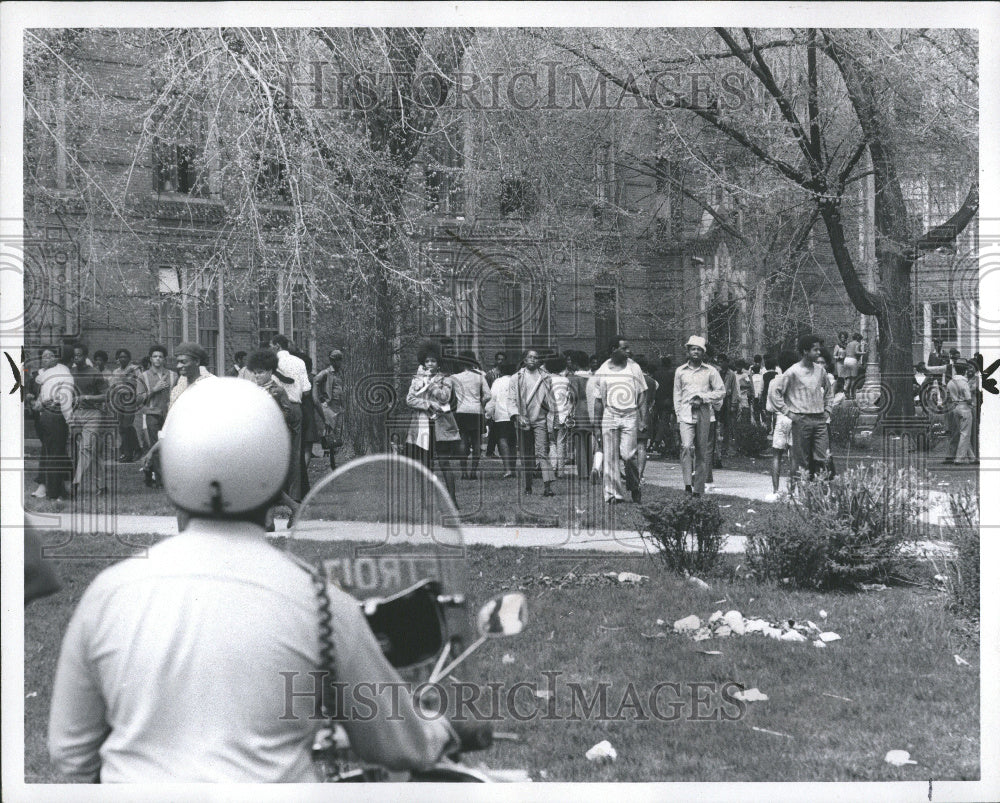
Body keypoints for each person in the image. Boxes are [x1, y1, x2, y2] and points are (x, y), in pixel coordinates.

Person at [48, 378, 455, 782]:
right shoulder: (321, 602)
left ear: (170, 468)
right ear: (277, 475)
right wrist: (446, 728)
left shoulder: (109, 592)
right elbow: (396, 743)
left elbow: (70, 752)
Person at [246, 349, 302, 530]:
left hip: (273, 441)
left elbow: (290, 414)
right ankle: (270, 521)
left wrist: (274, 417)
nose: (257, 375)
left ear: (270, 372)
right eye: (255, 372)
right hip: (258, 439)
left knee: (264, 481)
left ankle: (293, 508)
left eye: (261, 372)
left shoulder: (277, 391)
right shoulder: (254, 390)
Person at [768, 334, 834, 483]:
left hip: (819, 420)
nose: (819, 353)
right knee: (802, 460)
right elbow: (775, 393)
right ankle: (803, 496)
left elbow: (829, 392)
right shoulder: (793, 372)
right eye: (815, 350)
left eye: (819, 350)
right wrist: (789, 413)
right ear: (805, 351)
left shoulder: (820, 371)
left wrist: (828, 410)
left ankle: (821, 495)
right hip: (801, 420)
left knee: (823, 458)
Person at [405, 341, 461, 504]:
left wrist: (430, 385)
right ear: (423, 362)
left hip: (440, 425)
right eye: (427, 361)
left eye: (433, 361)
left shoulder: (446, 380)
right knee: (425, 463)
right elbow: (409, 399)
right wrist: (428, 405)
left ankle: (452, 500)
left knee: (444, 463)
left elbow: (444, 397)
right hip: (422, 425)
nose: (430, 364)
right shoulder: (416, 380)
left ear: (438, 363)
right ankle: (425, 502)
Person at [674, 336, 725, 496]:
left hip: (705, 414)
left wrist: (703, 398)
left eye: (699, 349)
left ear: (703, 353)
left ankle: (699, 488)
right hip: (685, 415)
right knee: (687, 447)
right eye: (693, 349)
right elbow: (677, 394)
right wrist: (678, 415)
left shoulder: (711, 371)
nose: (696, 352)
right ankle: (688, 485)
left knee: (702, 451)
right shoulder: (680, 371)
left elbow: (721, 391)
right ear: (688, 351)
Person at [593, 349, 644, 504]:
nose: (627, 350)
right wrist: (596, 425)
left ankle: (634, 486)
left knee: (629, 456)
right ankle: (613, 495)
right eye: (623, 347)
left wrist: (643, 419)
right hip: (610, 415)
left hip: (630, 415)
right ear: (613, 349)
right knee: (610, 456)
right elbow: (598, 400)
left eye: (628, 347)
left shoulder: (634, 368)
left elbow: (642, 393)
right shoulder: (602, 371)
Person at [29, 346, 75, 501]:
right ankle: (54, 492)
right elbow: (65, 399)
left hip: (48, 415)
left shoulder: (52, 375)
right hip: (54, 415)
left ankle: (56, 489)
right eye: (44, 356)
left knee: (52, 453)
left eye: (51, 356)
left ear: (58, 359)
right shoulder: (62, 376)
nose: (46, 359)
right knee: (55, 453)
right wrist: (70, 420)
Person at [509, 348, 556, 496]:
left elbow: (551, 400)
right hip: (522, 420)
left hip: (540, 419)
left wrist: (552, 418)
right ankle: (527, 486)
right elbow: (511, 400)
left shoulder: (545, 377)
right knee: (526, 455)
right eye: (530, 357)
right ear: (524, 360)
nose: (533, 360)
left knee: (542, 453)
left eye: (536, 357)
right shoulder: (516, 377)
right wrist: (517, 416)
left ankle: (547, 487)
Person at [270, 335, 311, 501]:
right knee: (295, 452)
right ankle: (295, 494)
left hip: (278, 406)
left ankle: (278, 494)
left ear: (278, 346)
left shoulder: (272, 363)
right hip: (296, 406)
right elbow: (307, 389)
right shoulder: (299, 362)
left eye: (272, 346)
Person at [69, 343, 111, 499]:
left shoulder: (94, 373)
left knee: (86, 448)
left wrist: (87, 397)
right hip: (76, 414)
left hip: (93, 414)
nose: (76, 358)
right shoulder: (70, 373)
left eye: (79, 355)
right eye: (74, 356)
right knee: (92, 452)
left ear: (85, 356)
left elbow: (106, 396)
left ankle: (76, 483)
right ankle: (103, 486)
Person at [137, 345, 178, 488]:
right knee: (155, 446)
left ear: (164, 359)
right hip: (152, 414)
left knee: (169, 446)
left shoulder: (173, 375)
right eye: (155, 356)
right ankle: (159, 481)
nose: (158, 359)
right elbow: (138, 399)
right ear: (150, 359)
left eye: (160, 356)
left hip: (169, 415)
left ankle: (165, 477)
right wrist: (154, 390)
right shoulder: (143, 376)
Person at [764, 351, 800, 501]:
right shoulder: (798, 381)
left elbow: (770, 407)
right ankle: (791, 491)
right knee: (794, 457)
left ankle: (775, 489)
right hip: (796, 418)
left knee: (776, 455)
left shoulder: (775, 381)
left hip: (781, 418)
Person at [451, 351, 491, 480]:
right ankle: (473, 472)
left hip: (461, 411)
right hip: (476, 411)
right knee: (476, 442)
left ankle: (464, 472)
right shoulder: (480, 377)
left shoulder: (455, 377)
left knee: (462, 442)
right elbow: (488, 395)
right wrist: (481, 403)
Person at [313, 349, 346, 471]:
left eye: (340, 360)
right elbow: (315, 380)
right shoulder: (326, 373)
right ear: (332, 360)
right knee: (329, 435)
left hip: (339, 406)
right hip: (330, 406)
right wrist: (321, 399)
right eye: (337, 360)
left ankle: (335, 460)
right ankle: (330, 462)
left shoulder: (340, 373)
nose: (339, 363)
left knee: (337, 434)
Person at [109, 349, 143, 463]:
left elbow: (140, 383)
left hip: (130, 400)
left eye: (125, 357)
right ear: (118, 359)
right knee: (121, 428)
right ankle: (129, 451)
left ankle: (132, 452)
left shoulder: (135, 369)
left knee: (127, 425)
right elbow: (113, 386)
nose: (123, 359)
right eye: (120, 357)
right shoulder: (116, 371)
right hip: (119, 401)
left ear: (129, 358)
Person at [563, 351, 593, 483]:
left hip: (579, 410)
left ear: (575, 363)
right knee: (590, 442)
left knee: (580, 443)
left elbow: (573, 397)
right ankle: (592, 470)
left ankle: (583, 473)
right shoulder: (593, 377)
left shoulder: (574, 378)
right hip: (592, 410)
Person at [484, 362, 517, 478]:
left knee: (503, 440)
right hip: (515, 414)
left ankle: (507, 469)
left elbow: (492, 399)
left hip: (501, 415)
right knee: (513, 442)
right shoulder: (518, 381)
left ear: (501, 371)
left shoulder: (498, 382)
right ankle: (512, 467)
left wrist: (488, 414)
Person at [943, 361, 977, 465]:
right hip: (964, 407)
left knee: (960, 432)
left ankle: (972, 458)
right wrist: (973, 404)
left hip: (954, 406)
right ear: (965, 371)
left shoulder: (950, 382)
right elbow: (968, 398)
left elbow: (947, 396)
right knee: (965, 433)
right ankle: (959, 458)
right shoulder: (964, 382)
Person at [546, 356, 572, 478]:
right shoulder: (565, 380)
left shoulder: (546, 380)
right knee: (561, 442)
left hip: (549, 414)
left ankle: (553, 466)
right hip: (563, 413)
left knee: (551, 442)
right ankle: (560, 470)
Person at [483, 351, 507, 458]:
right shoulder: (490, 374)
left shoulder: (505, 374)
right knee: (494, 428)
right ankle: (491, 451)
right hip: (493, 403)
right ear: (495, 360)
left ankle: (492, 450)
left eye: (503, 359)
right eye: (499, 359)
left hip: (503, 404)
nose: (500, 362)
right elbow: (486, 390)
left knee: (497, 429)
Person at [651, 356, 675, 455]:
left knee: (659, 422)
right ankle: (660, 441)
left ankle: (660, 441)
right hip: (668, 401)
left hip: (658, 401)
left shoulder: (656, 374)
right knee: (664, 422)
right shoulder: (672, 374)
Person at [843, 332, 862, 398]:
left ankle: (845, 389)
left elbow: (845, 352)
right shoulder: (857, 343)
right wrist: (864, 353)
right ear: (858, 338)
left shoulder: (848, 344)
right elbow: (857, 352)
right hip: (853, 360)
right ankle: (852, 393)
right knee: (854, 378)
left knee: (848, 377)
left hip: (846, 360)